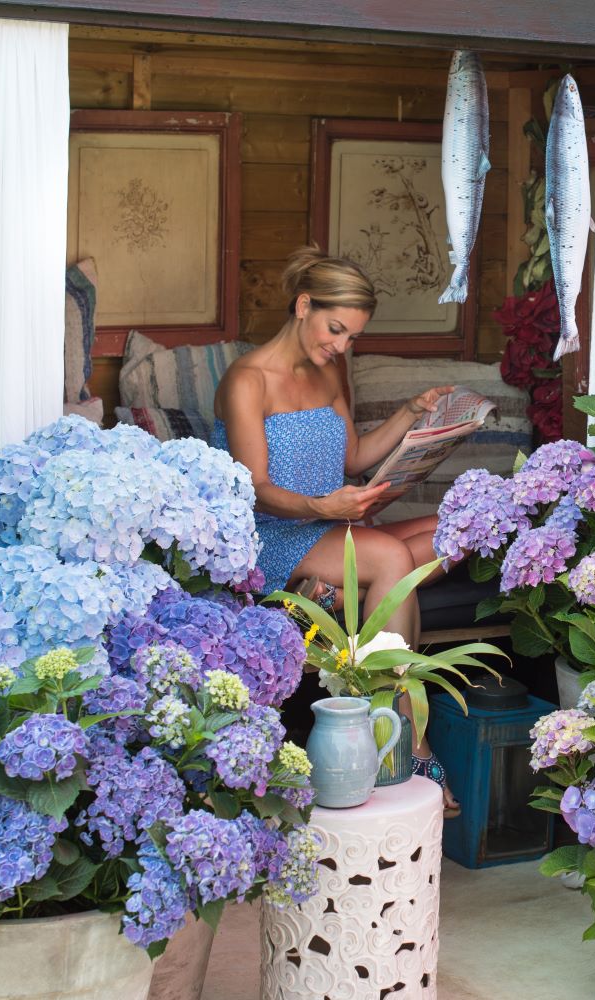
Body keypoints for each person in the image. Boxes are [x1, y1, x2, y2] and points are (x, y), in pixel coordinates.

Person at [212, 245, 458, 812]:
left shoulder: (331, 368)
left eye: (352, 338)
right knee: (394, 561)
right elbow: (254, 487)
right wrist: (325, 508)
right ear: (303, 305)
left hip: (336, 526)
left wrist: (410, 416)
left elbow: (352, 458)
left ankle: (339, 603)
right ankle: (407, 739)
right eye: (335, 329)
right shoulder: (247, 380)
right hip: (277, 535)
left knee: (456, 526)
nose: (341, 346)